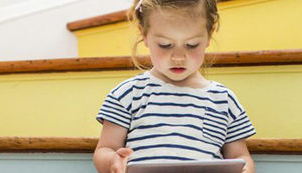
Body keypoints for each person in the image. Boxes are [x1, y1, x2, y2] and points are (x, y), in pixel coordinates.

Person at [91, 0, 255, 173]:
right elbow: (105, 149)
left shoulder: (224, 99)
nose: (178, 57)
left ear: (209, 35)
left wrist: (246, 169)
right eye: (165, 45)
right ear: (144, 35)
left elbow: (240, 156)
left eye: (191, 45)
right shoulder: (127, 94)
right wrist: (112, 161)